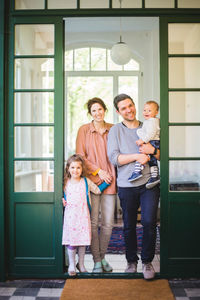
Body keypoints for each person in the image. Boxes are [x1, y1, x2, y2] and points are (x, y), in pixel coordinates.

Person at [107, 94, 160, 280]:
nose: (129, 110)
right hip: (126, 185)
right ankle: (131, 261)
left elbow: (162, 153)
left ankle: (147, 262)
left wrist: (152, 151)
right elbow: (115, 158)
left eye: (130, 105)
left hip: (149, 183)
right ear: (118, 112)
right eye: (124, 108)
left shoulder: (149, 125)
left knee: (149, 223)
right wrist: (137, 156)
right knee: (128, 226)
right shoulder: (115, 131)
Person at [76, 97, 117, 273]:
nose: (97, 113)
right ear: (90, 113)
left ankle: (102, 257)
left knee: (108, 224)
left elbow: (118, 153)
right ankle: (97, 260)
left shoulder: (114, 129)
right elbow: (80, 156)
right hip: (92, 183)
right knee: (92, 223)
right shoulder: (84, 130)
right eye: (94, 110)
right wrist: (98, 171)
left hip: (110, 182)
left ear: (105, 110)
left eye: (100, 109)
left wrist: (109, 175)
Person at [62, 154, 109, 276]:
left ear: (82, 169)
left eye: (78, 167)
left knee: (82, 241)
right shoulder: (65, 183)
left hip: (83, 216)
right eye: (72, 167)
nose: (75, 170)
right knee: (72, 242)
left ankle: (81, 264)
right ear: (68, 168)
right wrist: (61, 198)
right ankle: (72, 265)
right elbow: (61, 196)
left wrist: (107, 182)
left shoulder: (86, 182)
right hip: (71, 218)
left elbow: (97, 191)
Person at [128, 100, 160, 189]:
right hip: (153, 141)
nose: (146, 112)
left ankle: (137, 172)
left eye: (149, 111)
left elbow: (151, 133)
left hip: (152, 141)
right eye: (144, 110)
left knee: (142, 154)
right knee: (152, 161)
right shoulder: (151, 121)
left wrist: (143, 140)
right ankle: (154, 176)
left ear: (156, 112)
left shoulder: (152, 121)